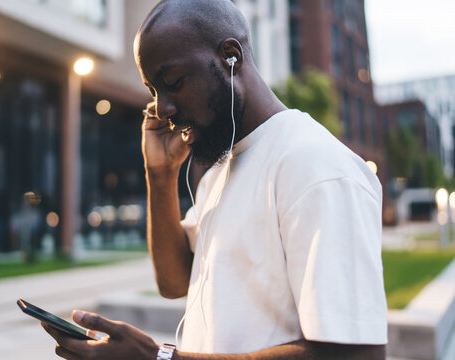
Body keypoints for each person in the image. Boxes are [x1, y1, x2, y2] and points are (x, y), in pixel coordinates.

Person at [42, 0, 388, 358]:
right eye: (153, 92)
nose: (162, 109)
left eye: (173, 82)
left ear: (230, 56)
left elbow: (355, 355)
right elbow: (174, 281)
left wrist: (159, 359)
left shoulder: (316, 166)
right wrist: (160, 175)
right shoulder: (221, 170)